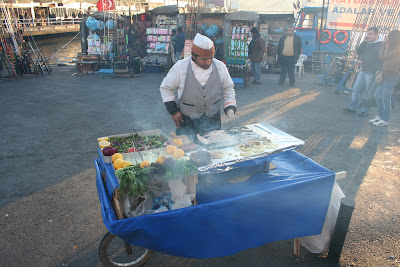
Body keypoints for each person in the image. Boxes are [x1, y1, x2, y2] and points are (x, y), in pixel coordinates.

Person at [160, 33, 237, 136]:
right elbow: (166, 88)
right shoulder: (180, 67)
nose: (208, 62)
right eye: (204, 59)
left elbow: (228, 88)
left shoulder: (220, 66)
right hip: (187, 120)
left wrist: (230, 107)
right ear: (194, 56)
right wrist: (173, 111)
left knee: (214, 149)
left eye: (211, 58)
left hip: (212, 119)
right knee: (187, 149)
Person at [343, 27, 382, 117]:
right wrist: (364, 41)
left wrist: (379, 70)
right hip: (364, 70)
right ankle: (353, 107)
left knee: (368, 93)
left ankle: (365, 110)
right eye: (367, 34)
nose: (368, 36)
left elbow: (382, 59)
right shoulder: (368, 43)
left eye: (370, 34)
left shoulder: (381, 45)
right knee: (356, 89)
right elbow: (359, 51)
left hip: (372, 72)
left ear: (376, 34)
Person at [369, 30, 400, 126]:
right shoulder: (392, 47)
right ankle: (381, 115)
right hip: (385, 74)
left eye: (389, 37)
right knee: (377, 95)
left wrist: (383, 44)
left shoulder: (397, 49)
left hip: (391, 76)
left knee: (385, 98)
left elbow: (382, 57)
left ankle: (385, 119)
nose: (387, 38)